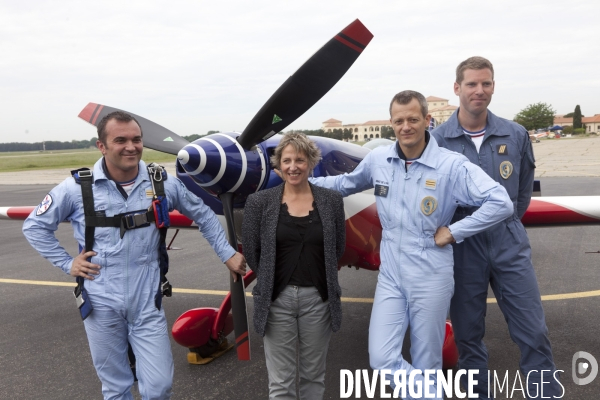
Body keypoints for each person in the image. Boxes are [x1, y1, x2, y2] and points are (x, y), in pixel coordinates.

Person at [22, 111, 246, 400]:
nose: (131, 146)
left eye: (136, 139)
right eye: (120, 140)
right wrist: (68, 263)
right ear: (101, 146)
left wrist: (226, 253)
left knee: (160, 386)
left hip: (146, 302)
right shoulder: (77, 188)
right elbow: (35, 226)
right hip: (100, 302)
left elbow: (202, 213)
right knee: (116, 387)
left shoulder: (161, 182)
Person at [310, 90, 513, 398]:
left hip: (431, 275)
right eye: (399, 120)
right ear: (391, 123)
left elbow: (500, 202)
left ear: (427, 121)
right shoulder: (379, 160)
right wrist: (298, 183)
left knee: (427, 364)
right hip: (391, 276)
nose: (406, 126)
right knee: (381, 358)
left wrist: (455, 231)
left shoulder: (451, 166)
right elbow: (344, 184)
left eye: (413, 119)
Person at [432, 56, 561, 398]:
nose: (479, 90)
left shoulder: (515, 134)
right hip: (461, 250)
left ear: (493, 87)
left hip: (508, 245)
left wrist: (504, 224)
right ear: (457, 88)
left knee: (533, 332)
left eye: (486, 83)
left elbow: (521, 193)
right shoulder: (437, 142)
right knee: (468, 338)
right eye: (471, 84)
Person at [242, 133, 346, 399]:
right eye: (286, 160)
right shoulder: (259, 203)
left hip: (317, 300)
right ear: (278, 165)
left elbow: (337, 248)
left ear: (310, 162)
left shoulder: (332, 201)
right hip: (277, 301)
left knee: (314, 378)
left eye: (299, 160)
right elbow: (253, 252)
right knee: (281, 383)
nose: (293, 166)